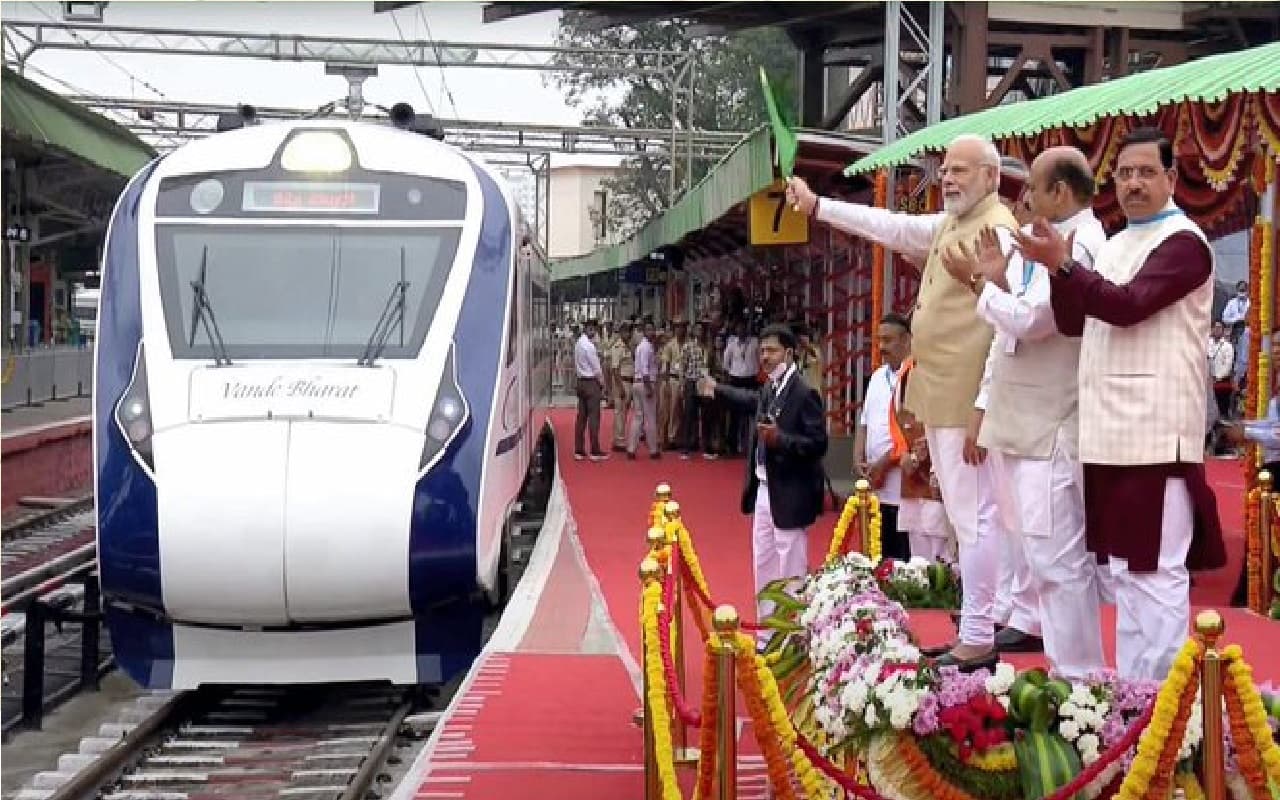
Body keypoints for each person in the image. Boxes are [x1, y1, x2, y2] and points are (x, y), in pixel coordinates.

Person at [787, 133, 1019, 671]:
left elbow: (1010, 326)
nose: (948, 177)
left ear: (991, 177)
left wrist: (985, 401)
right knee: (967, 516)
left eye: (961, 169)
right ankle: (981, 622)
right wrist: (819, 206)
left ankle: (982, 632)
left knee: (977, 515)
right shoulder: (949, 225)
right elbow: (889, 226)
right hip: (942, 393)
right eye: (945, 168)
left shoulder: (998, 231)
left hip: (969, 399)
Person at [1016, 126, 1226, 681]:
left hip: (1155, 436)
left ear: (1172, 179)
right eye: (1125, 174)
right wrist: (1053, 269)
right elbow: (1071, 320)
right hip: (1107, 436)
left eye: (1146, 173)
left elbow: (1129, 306)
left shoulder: (1184, 244)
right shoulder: (1112, 243)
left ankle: (1161, 712)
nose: (1133, 184)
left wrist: (1064, 266)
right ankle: (1134, 706)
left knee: (1155, 577)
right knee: (1127, 579)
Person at [940, 146, 1108, 677]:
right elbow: (1017, 322)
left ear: (1060, 192)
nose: (1026, 199)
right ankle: (1068, 674)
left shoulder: (1082, 244)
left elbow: (1036, 322)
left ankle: (1079, 679)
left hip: (1052, 424)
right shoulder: (1046, 243)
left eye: (1033, 188)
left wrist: (980, 285)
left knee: (1058, 562)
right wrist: (999, 282)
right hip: (1025, 420)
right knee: (1040, 558)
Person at [699, 324, 827, 648]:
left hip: (791, 491)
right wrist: (719, 390)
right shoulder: (771, 387)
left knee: (791, 565)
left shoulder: (804, 391)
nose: (765, 357)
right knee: (764, 562)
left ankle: (793, 635)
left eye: (771, 351)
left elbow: (818, 443)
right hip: (764, 489)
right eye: (763, 351)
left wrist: (779, 439)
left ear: (788, 352)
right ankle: (768, 633)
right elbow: (751, 399)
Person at [853, 314, 914, 561]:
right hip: (875, 487)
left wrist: (884, 464)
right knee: (877, 559)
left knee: (902, 560)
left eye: (888, 340)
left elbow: (913, 433)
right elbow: (864, 422)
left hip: (902, 486)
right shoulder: (877, 377)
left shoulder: (915, 376)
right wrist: (858, 456)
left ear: (907, 340)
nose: (881, 347)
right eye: (879, 340)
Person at [572, 320, 609, 462]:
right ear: (588, 329)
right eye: (592, 329)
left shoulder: (578, 344)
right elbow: (597, 369)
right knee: (594, 417)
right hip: (591, 382)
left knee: (581, 417)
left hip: (580, 382)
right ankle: (595, 450)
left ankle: (579, 450)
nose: (594, 332)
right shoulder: (589, 347)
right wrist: (603, 384)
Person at [722, 320, 759, 457]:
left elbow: (760, 360)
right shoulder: (731, 344)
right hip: (736, 379)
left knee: (752, 415)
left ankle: (752, 446)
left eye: (743, 328)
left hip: (751, 379)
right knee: (734, 416)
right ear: (736, 330)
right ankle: (731, 446)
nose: (741, 330)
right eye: (739, 328)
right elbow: (726, 364)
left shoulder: (755, 342)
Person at [628, 322, 661, 460]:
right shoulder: (646, 347)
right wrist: (648, 387)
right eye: (648, 329)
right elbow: (645, 370)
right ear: (644, 331)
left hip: (636, 382)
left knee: (638, 417)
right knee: (650, 418)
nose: (651, 332)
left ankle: (631, 448)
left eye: (652, 329)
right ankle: (653, 449)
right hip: (645, 383)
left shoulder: (641, 347)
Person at [609, 323, 635, 451]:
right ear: (621, 332)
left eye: (629, 331)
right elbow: (615, 369)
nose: (628, 334)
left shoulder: (628, 346)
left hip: (629, 381)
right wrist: (620, 387)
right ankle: (619, 440)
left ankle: (618, 438)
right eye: (625, 331)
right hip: (622, 381)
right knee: (620, 412)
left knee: (624, 412)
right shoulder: (617, 347)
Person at [1208, 321, 1235, 423]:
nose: (1216, 330)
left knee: (1222, 411)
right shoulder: (1207, 343)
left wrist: (1217, 377)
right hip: (1208, 381)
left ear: (1223, 330)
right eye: (1214, 327)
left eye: (1219, 328)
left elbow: (1228, 365)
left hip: (1221, 382)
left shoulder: (1228, 346)